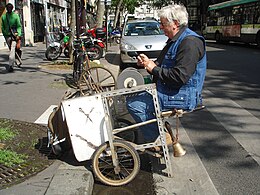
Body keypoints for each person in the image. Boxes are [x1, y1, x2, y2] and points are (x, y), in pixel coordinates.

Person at [126, 3, 207, 144]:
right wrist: (148, 63)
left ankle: (158, 139)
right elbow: (162, 65)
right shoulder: (175, 40)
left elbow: (179, 77)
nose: (161, 27)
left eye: (163, 24)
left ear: (175, 23)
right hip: (173, 90)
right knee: (134, 96)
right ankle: (158, 133)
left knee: (135, 104)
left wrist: (153, 68)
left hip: (183, 95)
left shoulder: (190, 42)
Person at [1, 3, 22, 72]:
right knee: (12, 50)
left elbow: (19, 26)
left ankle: (10, 65)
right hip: (7, 36)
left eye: (10, 8)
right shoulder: (3, 17)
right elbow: (2, 27)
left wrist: (18, 34)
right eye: (8, 8)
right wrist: (5, 34)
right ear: (6, 9)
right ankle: (18, 61)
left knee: (12, 49)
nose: (9, 9)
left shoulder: (15, 16)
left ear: (12, 8)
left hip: (14, 36)